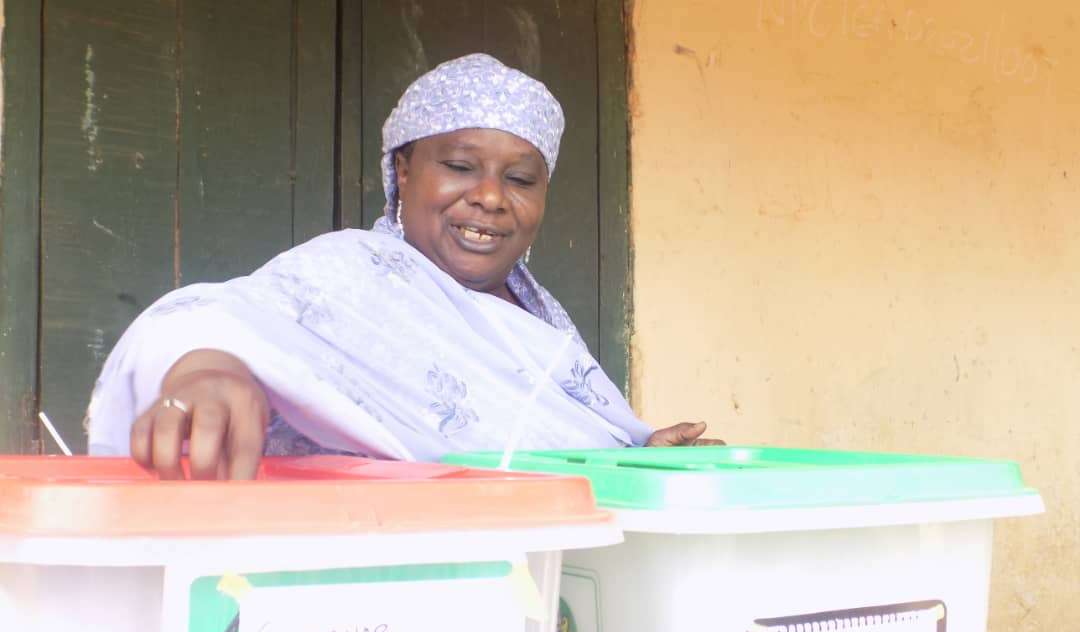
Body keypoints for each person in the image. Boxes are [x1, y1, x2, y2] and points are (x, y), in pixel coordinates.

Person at [86, 54, 719, 479]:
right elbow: (216, 320)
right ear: (404, 172)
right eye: (461, 167)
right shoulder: (352, 273)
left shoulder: (539, 319)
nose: (492, 197)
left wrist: (633, 458)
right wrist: (210, 370)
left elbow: (539, 455)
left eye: (521, 178)